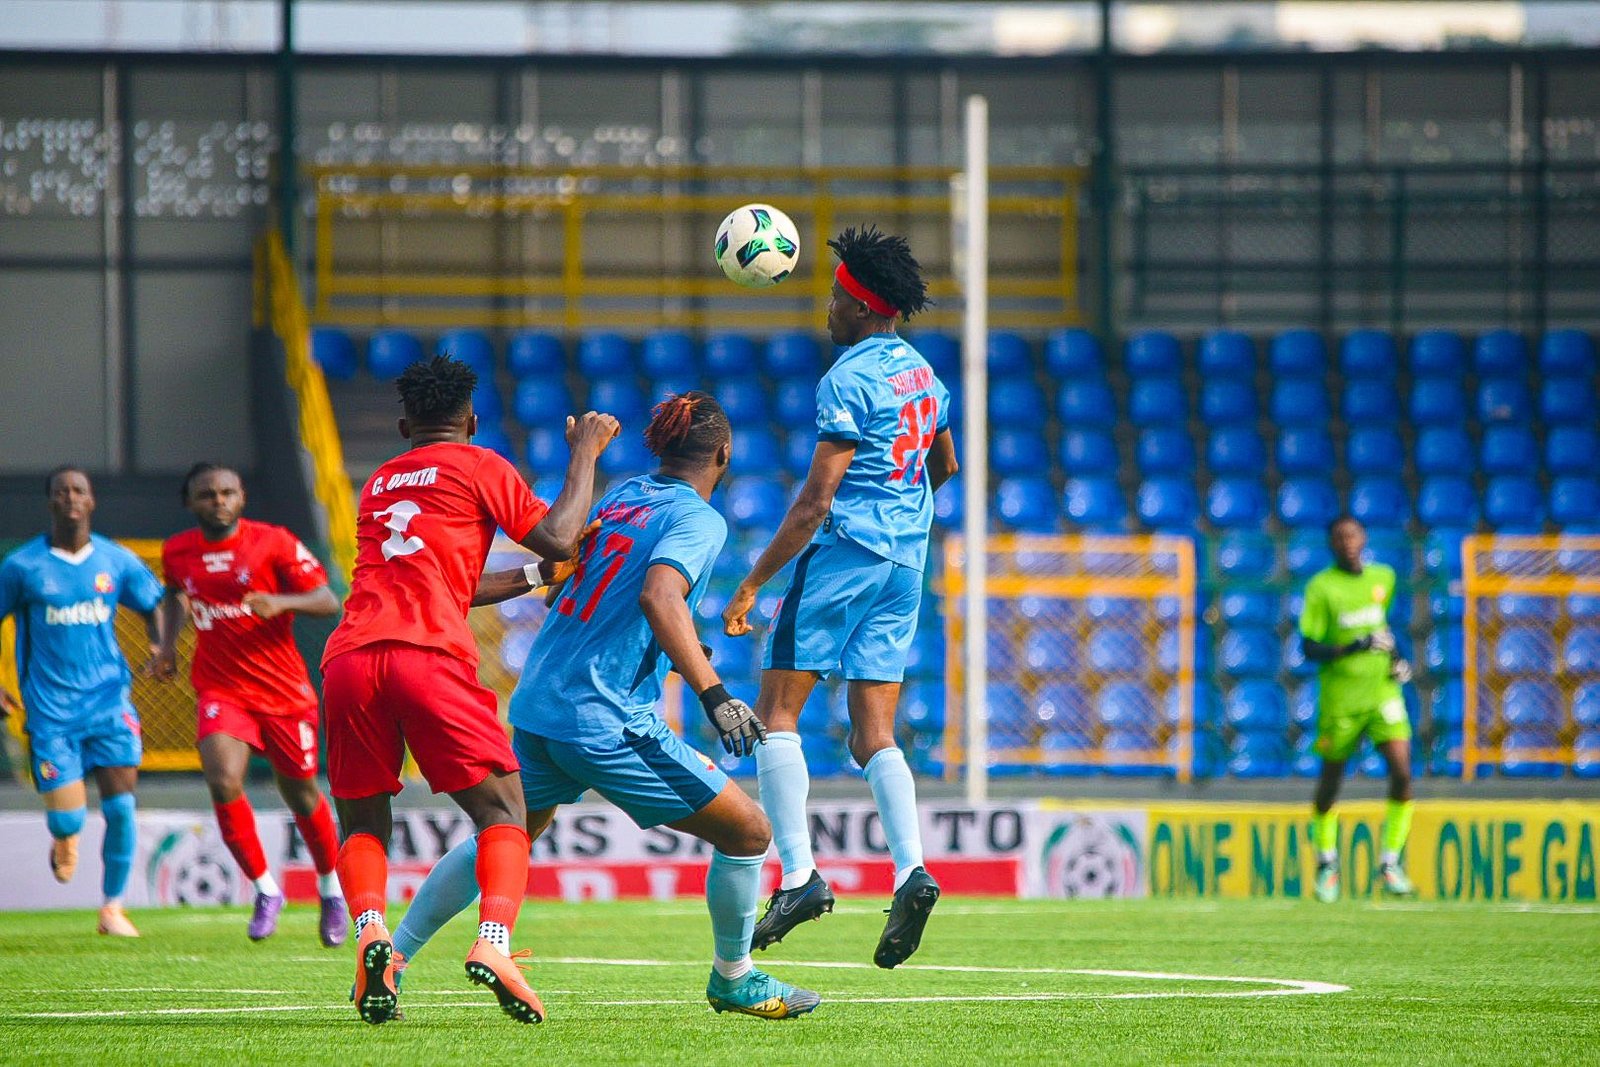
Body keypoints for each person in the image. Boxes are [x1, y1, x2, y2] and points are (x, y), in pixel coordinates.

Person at [386, 392, 820, 1020]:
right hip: (605, 717)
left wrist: (676, 643)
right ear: (724, 454)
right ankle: (735, 976)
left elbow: (615, 590)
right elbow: (657, 596)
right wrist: (715, 694)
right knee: (749, 831)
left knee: (503, 834)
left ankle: (394, 957)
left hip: (542, 702)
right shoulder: (699, 519)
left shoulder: (623, 496)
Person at [322, 355, 617, 1025]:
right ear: (473, 419)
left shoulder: (379, 481)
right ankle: (495, 941)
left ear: (404, 425)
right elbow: (560, 532)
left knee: (364, 819)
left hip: (350, 657)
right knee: (504, 810)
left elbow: (443, 577)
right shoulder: (481, 464)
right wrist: (586, 453)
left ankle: (371, 929)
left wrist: (538, 577)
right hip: (426, 655)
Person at [722, 226, 958, 967]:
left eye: (833, 298)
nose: (827, 309)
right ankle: (911, 868)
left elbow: (815, 499)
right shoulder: (923, 373)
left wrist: (754, 581)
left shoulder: (848, 376)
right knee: (871, 733)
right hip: (904, 564)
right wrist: (900, 512)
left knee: (778, 712)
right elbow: (942, 463)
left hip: (846, 557)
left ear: (858, 305)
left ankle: (798, 875)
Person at [153, 463, 346, 945]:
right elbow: (176, 596)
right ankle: (265, 890)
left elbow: (328, 599)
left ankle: (331, 889)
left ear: (241, 498)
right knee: (222, 780)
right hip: (222, 689)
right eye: (206, 495)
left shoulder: (273, 541)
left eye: (227, 492)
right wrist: (166, 646)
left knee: (301, 792)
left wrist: (281, 604)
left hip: (284, 692)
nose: (217, 501)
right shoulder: (177, 551)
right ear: (190, 502)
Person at [0, 466, 164, 936]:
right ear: (50, 502)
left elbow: (158, 606)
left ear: (91, 501)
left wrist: (160, 646)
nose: (70, 497)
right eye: (61, 491)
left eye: (79, 490)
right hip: (52, 715)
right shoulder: (22, 567)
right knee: (70, 816)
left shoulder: (116, 560)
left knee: (120, 809)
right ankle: (65, 836)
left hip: (110, 705)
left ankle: (112, 908)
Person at [1299, 514, 1417, 902]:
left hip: (1383, 693)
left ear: (1364, 538)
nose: (1348, 542)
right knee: (1331, 781)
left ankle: (1390, 862)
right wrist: (1354, 647)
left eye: (1353, 535)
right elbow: (1309, 648)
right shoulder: (1321, 588)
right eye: (1340, 537)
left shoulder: (1383, 577)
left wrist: (1398, 659)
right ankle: (1327, 863)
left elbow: (1381, 630)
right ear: (1332, 544)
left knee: (1402, 772)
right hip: (1342, 700)